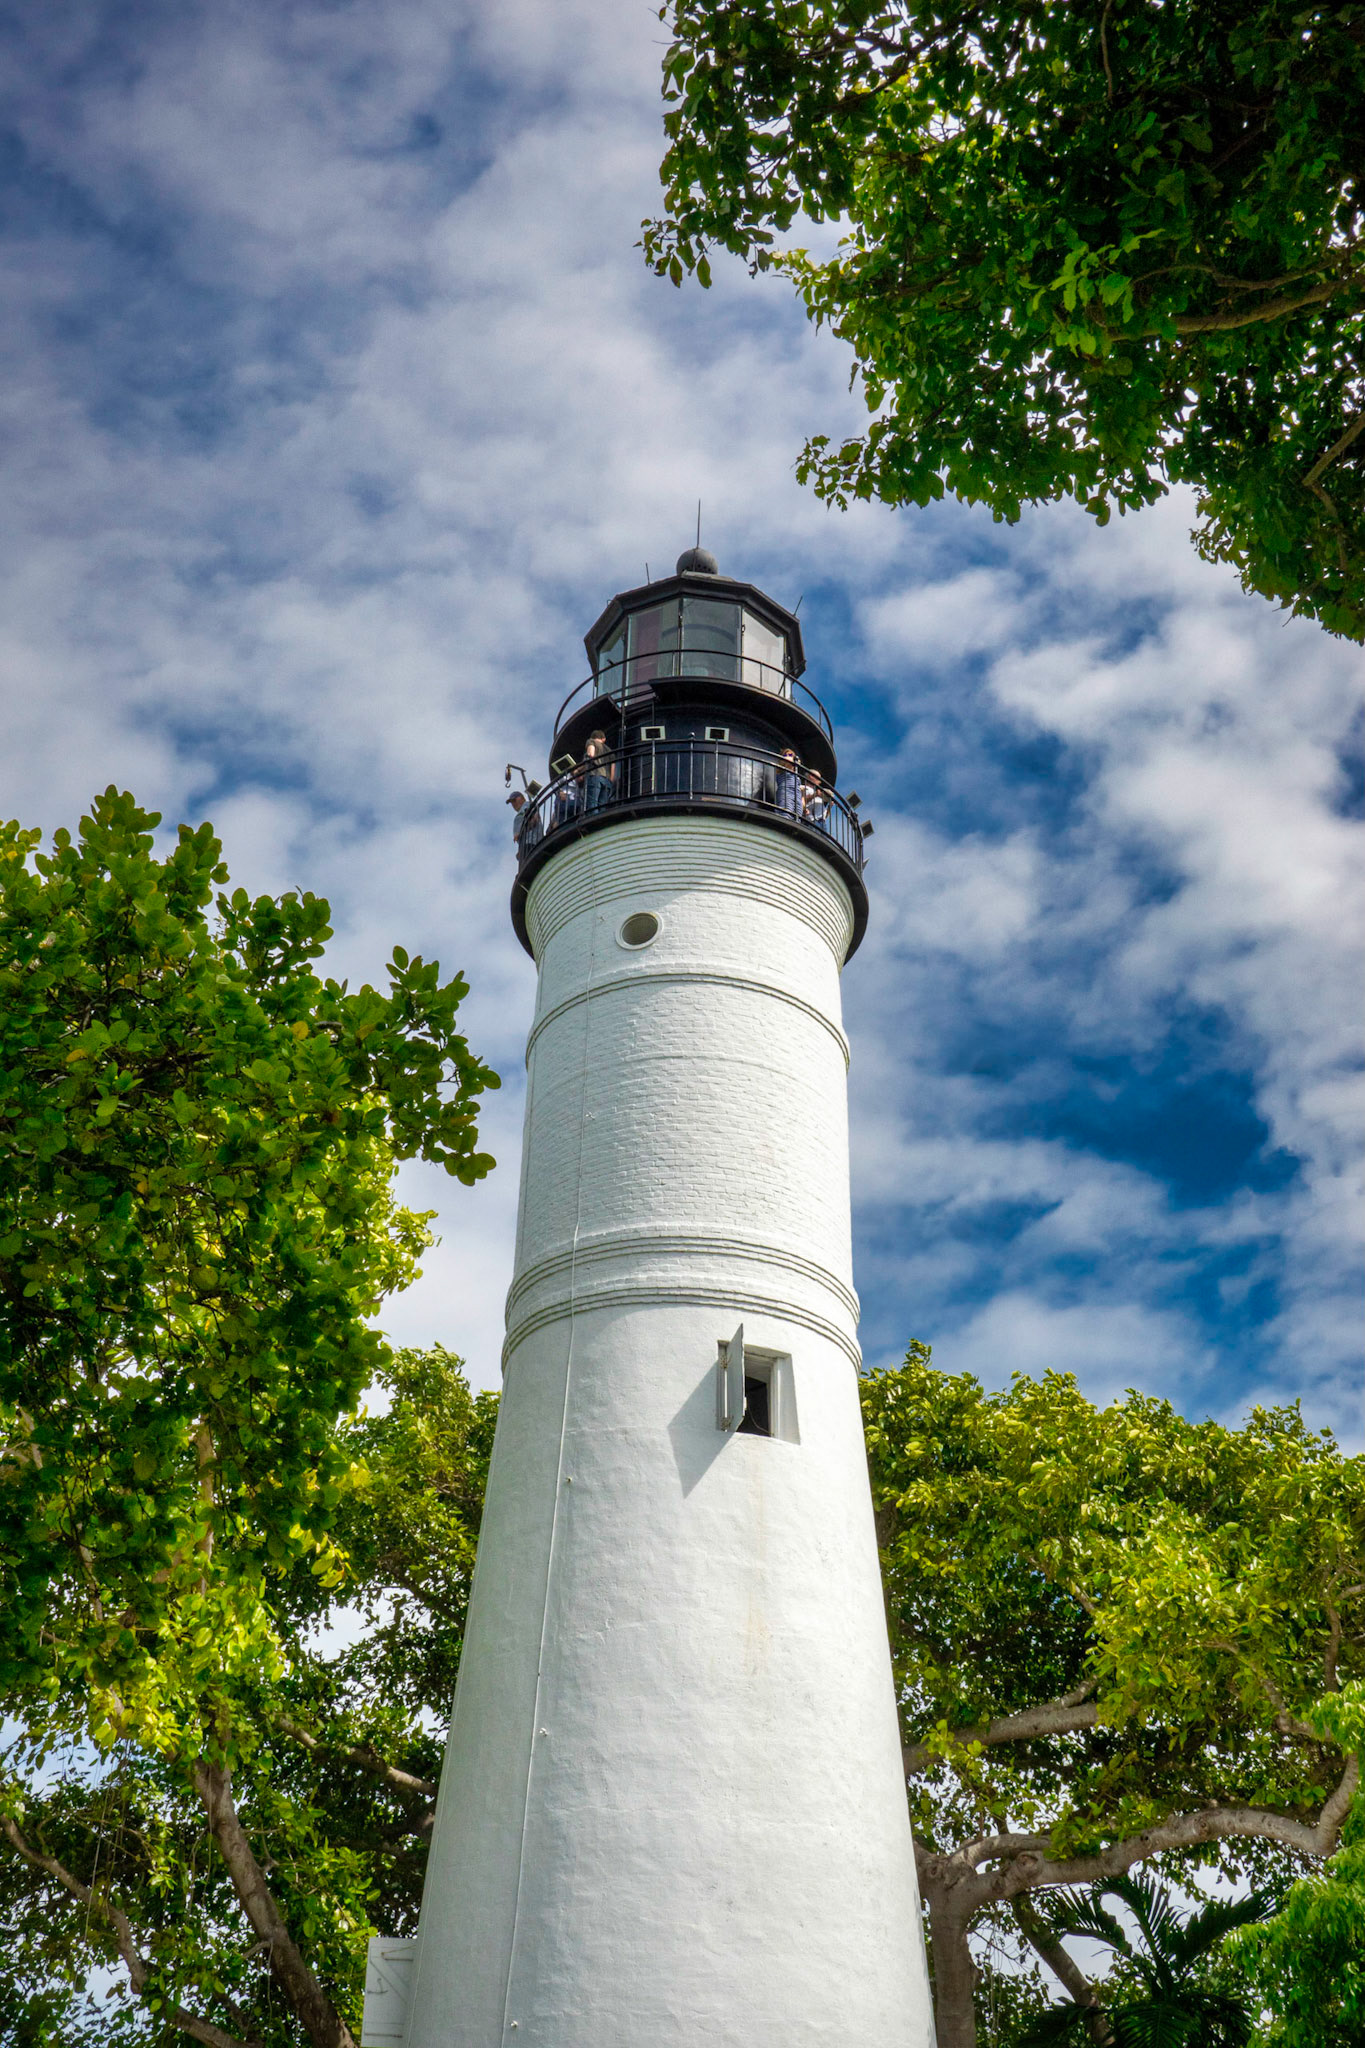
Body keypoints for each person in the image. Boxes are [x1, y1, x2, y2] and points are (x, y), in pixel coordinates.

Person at [580, 728, 615, 813]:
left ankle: (593, 823)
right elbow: (613, 768)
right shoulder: (610, 751)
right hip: (607, 780)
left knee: (592, 804)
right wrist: (611, 781)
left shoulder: (591, 742)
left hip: (595, 775)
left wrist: (579, 770)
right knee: (602, 806)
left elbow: (590, 754)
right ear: (603, 739)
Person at [776, 747, 802, 816]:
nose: (791, 757)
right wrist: (794, 760)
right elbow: (787, 760)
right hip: (786, 792)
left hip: (797, 795)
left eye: (792, 755)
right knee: (786, 812)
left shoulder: (796, 776)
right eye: (789, 755)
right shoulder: (782, 770)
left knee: (798, 815)